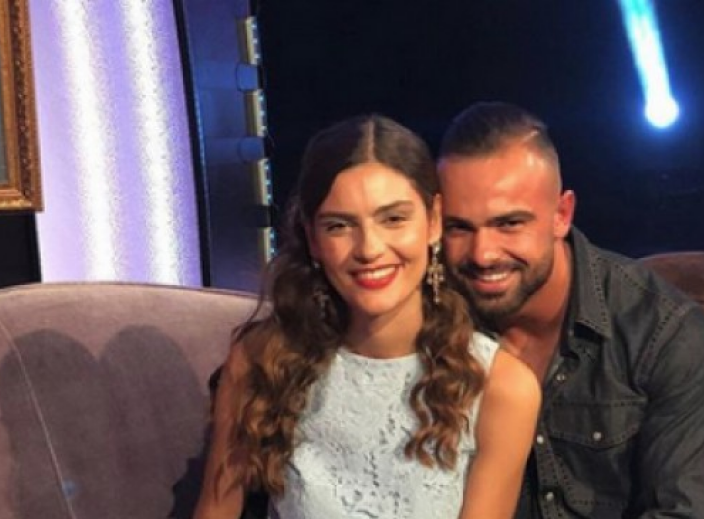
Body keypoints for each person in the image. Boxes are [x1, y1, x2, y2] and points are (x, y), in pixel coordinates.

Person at [194, 114, 541, 519]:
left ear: (433, 221)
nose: (369, 249)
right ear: (312, 238)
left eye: (393, 219)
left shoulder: (503, 388)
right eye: (339, 226)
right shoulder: (262, 360)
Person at [436, 102, 704, 518]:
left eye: (509, 224)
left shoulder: (663, 332)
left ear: (561, 215)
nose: (483, 253)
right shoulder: (428, 319)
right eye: (459, 227)